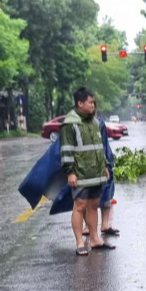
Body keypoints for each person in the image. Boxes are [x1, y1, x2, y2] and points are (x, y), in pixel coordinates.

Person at [62, 87, 113, 256]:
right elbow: (67, 150)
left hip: (96, 173)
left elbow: (100, 148)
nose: (93, 105)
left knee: (93, 205)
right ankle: (79, 242)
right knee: (80, 206)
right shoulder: (70, 123)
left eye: (93, 102)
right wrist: (70, 172)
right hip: (80, 174)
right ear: (80, 103)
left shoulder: (95, 122)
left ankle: (95, 238)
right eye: (90, 102)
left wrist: (105, 165)